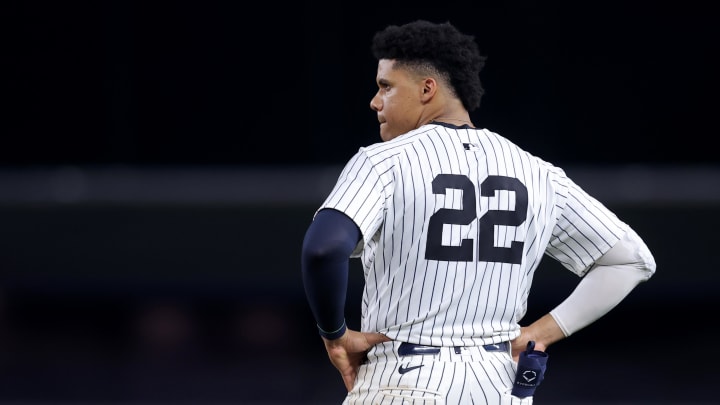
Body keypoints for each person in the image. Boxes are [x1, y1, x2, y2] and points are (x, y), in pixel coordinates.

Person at [300, 19, 656, 404]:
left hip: (404, 378)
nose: (375, 100)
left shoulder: (383, 162)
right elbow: (631, 260)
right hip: (500, 384)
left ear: (426, 89)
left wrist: (334, 334)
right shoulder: (537, 171)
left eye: (386, 86)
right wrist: (542, 333)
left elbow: (323, 249)